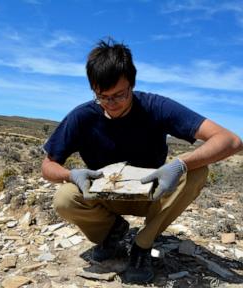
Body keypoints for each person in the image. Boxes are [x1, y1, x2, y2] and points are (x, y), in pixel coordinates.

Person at [41, 38, 243, 284]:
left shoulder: (155, 106)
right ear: (93, 89)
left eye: (120, 95)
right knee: (64, 197)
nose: (112, 104)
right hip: (106, 197)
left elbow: (230, 140)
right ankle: (112, 230)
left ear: (132, 84)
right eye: (103, 97)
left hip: (151, 195)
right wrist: (71, 175)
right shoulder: (82, 116)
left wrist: (179, 164)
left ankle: (142, 245)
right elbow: (48, 165)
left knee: (197, 171)